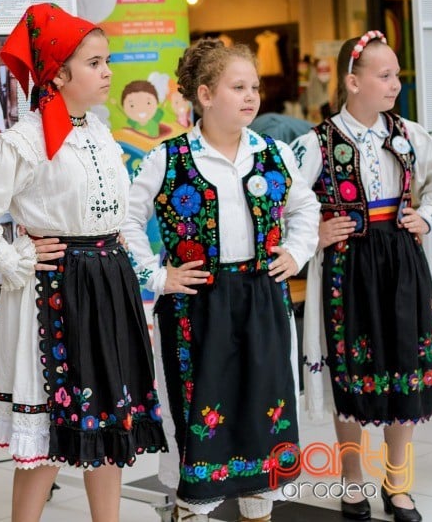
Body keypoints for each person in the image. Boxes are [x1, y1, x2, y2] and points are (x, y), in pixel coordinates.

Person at [0, 3, 167, 522]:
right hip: (56, 288)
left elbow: (116, 215)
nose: (107, 72)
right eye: (95, 63)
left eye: (106, 61)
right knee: (50, 428)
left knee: (110, 420)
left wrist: (138, 273)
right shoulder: (25, 138)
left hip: (108, 282)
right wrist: (15, 257)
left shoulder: (98, 130)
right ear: (58, 73)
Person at [123, 38, 320, 522]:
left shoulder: (273, 153)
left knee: (264, 407)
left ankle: (259, 508)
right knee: (201, 411)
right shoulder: (168, 157)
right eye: (238, 87)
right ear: (206, 96)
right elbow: (126, 220)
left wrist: (296, 252)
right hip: (196, 306)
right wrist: (156, 273)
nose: (251, 96)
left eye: (253, 87)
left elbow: (305, 208)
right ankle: (193, 508)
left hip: (263, 299)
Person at [293, 31, 432, 522]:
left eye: (396, 73)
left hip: (402, 262)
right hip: (347, 268)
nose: (396, 83)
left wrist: (427, 216)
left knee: (405, 366)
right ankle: (352, 480)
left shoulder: (412, 134)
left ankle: (398, 485)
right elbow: (281, 203)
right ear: (353, 82)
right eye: (385, 74)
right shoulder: (315, 143)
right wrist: (315, 230)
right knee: (351, 371)